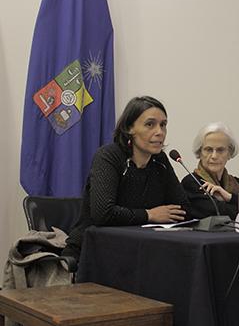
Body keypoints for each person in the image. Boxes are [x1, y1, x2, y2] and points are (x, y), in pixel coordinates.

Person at [62, 96, 190, 260]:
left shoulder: (160, 161)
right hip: (94, 252)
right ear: (129, 128)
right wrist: (148, 215)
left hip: (141, 250)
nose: (159, 132)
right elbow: (103, 213)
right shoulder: (109, 156)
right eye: (150, 124)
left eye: (163, 125)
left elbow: (182, 208)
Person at [181, 122, 239, 220]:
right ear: (200, 152)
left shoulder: (237, 183)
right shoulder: (192, 182)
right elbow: (217, 214)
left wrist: (229, 197)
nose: (214, 156)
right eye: (208, 150)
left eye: (220, 150)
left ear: (229, 153)